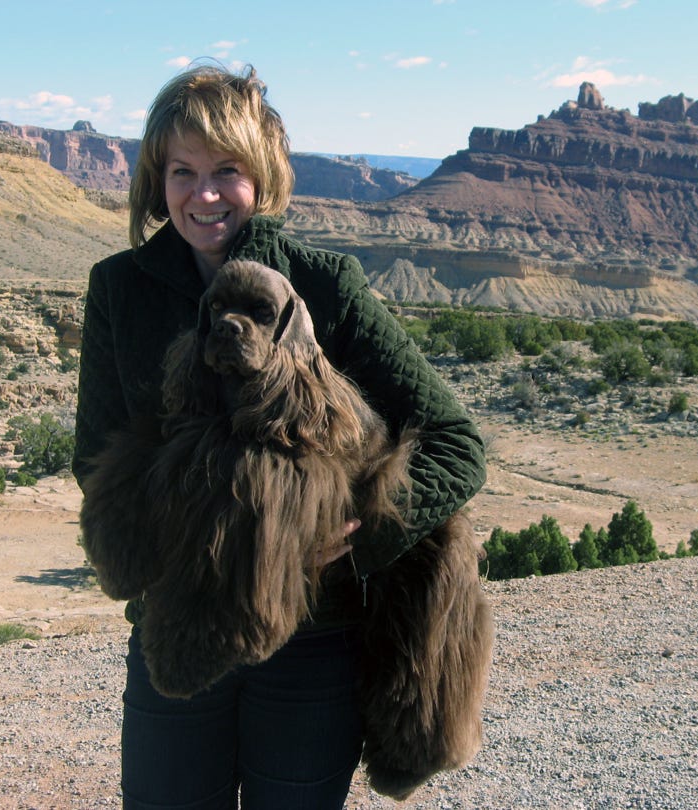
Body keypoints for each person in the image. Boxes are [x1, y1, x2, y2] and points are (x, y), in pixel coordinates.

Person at [73, 63, 486, 809]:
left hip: (311, 642)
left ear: (262, 176)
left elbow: (457, 445)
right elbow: (94, 456)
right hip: (175, 629)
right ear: (155, 180)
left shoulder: (327, 285)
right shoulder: (120, 289)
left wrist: (351, 535)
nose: (204, 195)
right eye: (183, 171)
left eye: (226, 171)